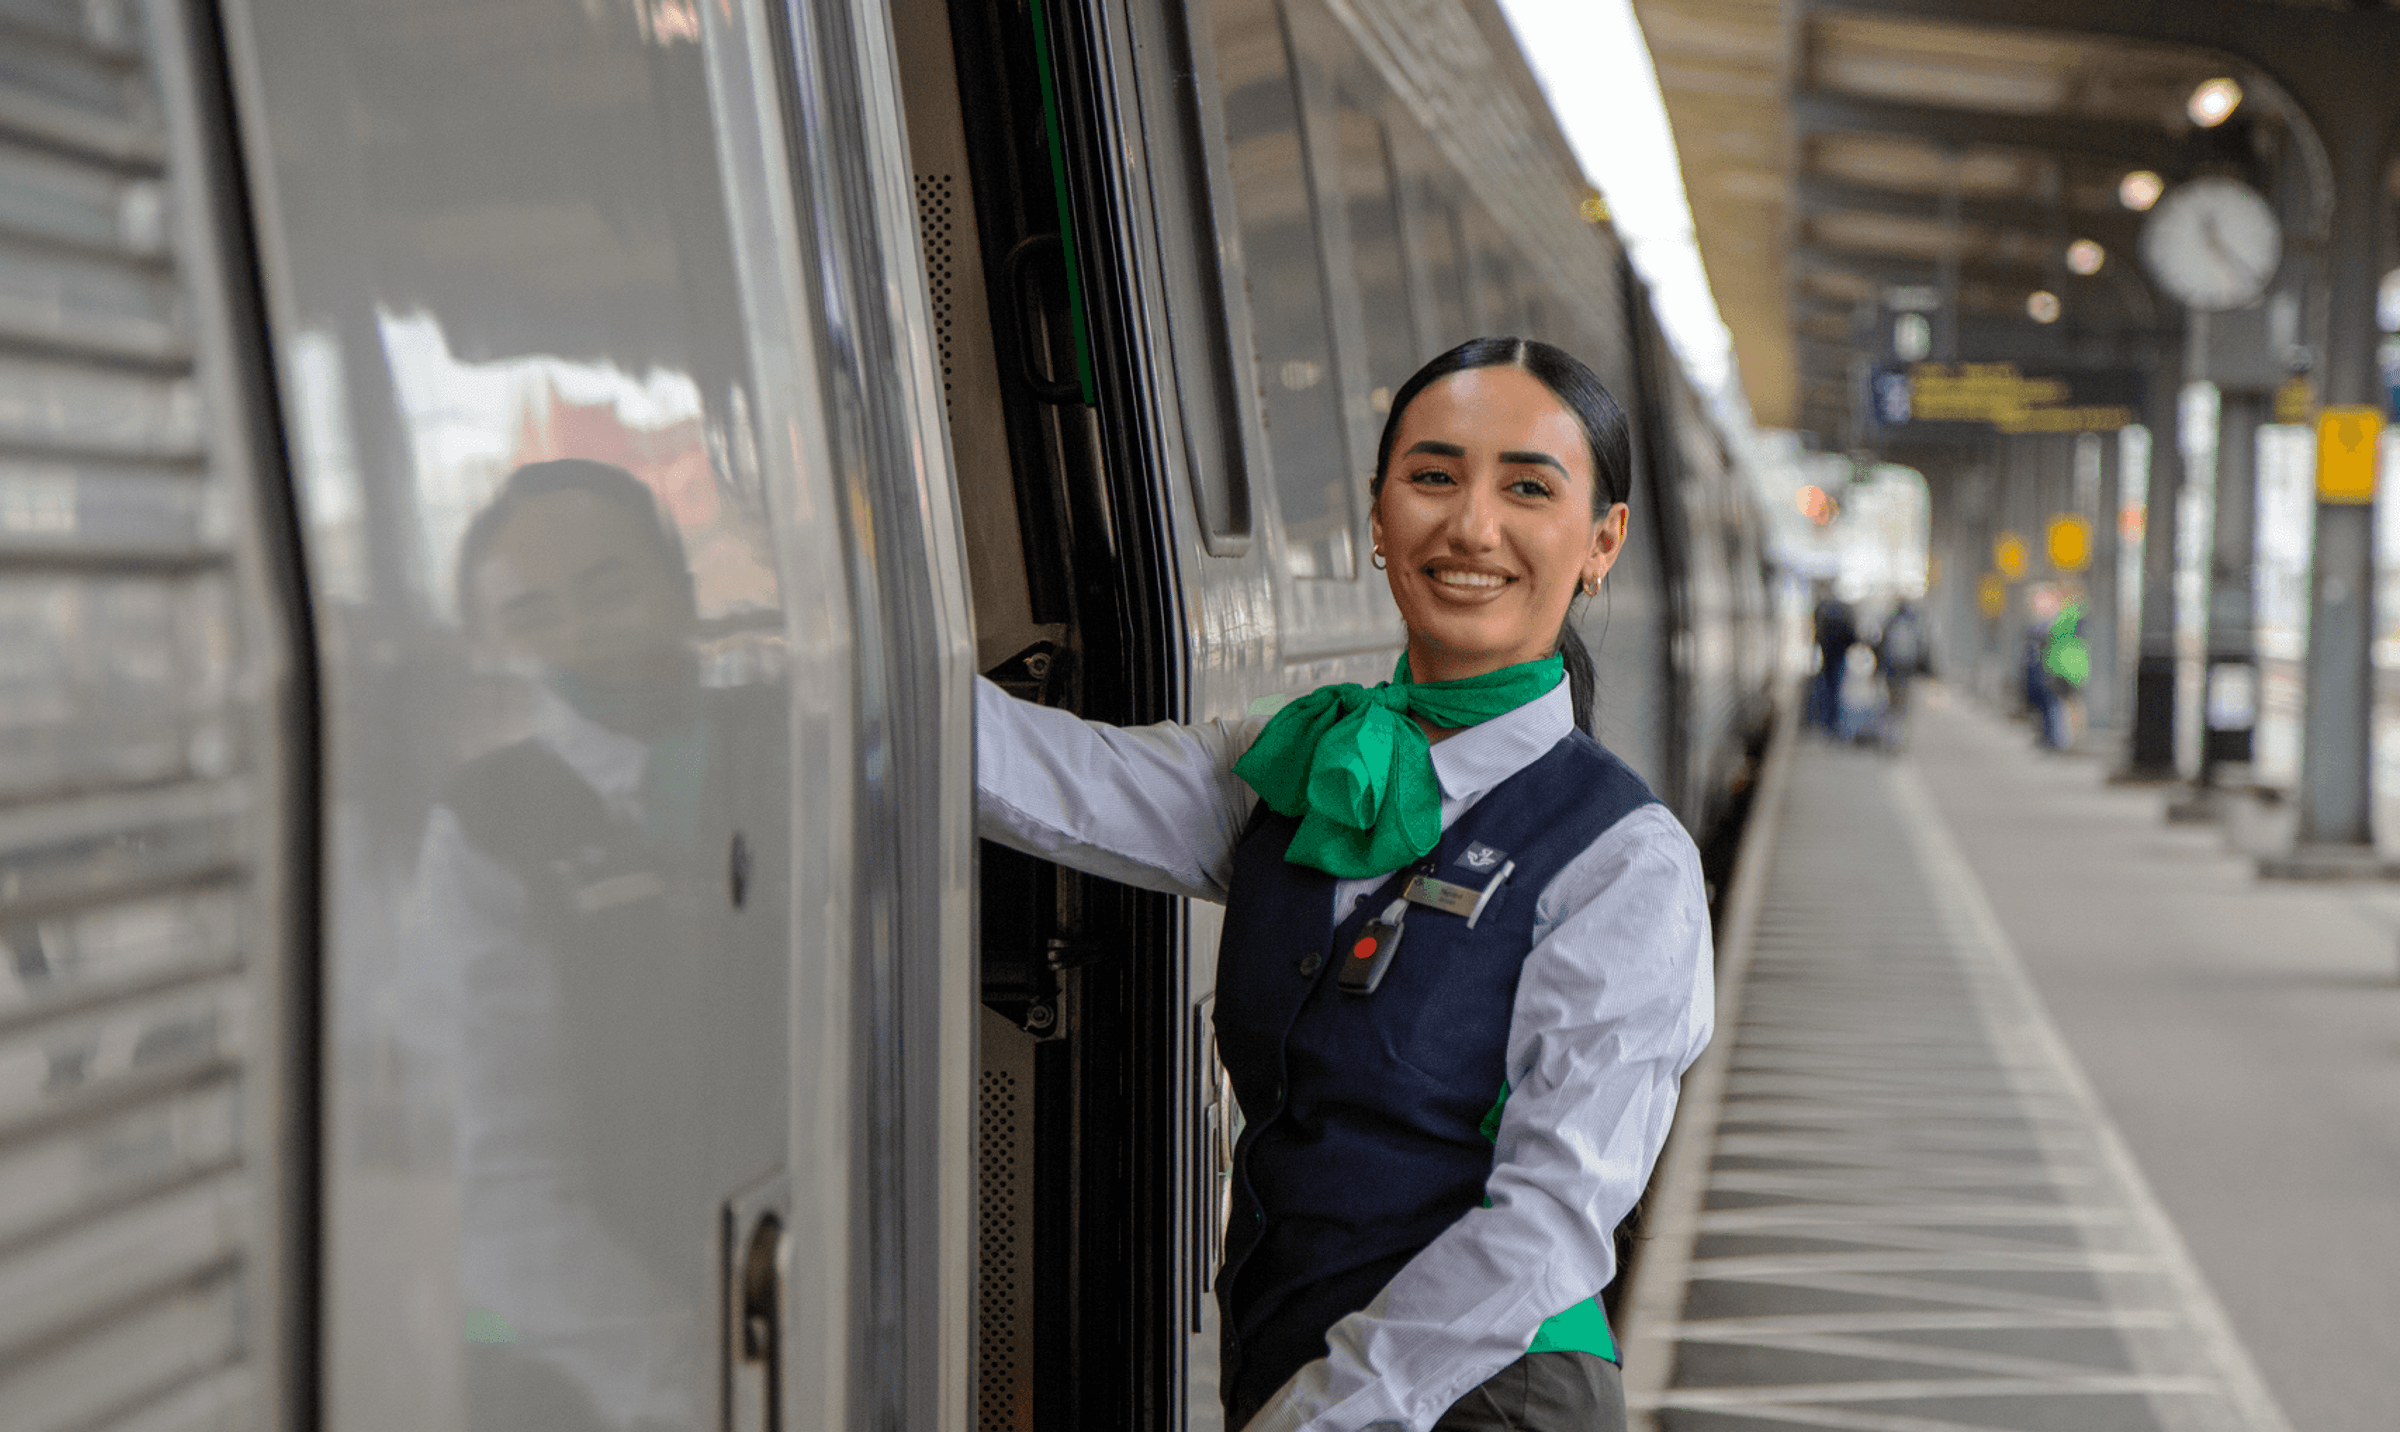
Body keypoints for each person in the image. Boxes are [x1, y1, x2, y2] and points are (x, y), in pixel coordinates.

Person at [977, 338, 1714, 1431]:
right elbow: (1038, 776)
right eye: (1432, 477)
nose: (1471, 526)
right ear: (1377, 520)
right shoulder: (1290, 771)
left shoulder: (1625, 862)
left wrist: (1322, 1415)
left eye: (1527, 487)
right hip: (1298, 1384)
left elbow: (1548, 1225)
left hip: (1485, 1403)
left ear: (1601, 542)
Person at [407, 458, 787, 1432]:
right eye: (534, 612)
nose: (584, 631)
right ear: (491, 645)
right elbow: (509, 1178)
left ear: (680, 586)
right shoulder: (487, 822)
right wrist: (676, 1377)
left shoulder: (798, 740)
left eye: (611, 586)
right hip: (643, 1353)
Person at [1874, 600, 1928, 751]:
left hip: (1890, 671)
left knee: (1890, 705)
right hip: (1906, 672)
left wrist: (1878, 670)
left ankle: (1887, 738)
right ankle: (1899, 740)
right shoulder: (1912, 625)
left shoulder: (1891, 623)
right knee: (1902, 707)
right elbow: (1921, 649)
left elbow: (1880, 646)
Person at [1809, 586, 1856, 735]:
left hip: (1826, 656)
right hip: (1839, 656)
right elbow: (1852, 635)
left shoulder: (1822, 610)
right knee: (1836, 691)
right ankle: (1834, 724)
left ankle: (1824, 722)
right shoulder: (1844, 610)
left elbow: (1816, 634)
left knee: (1824, 690)